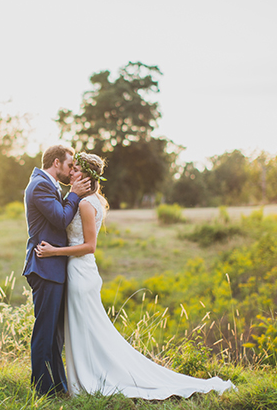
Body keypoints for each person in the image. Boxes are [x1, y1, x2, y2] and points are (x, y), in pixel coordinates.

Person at [35, 153, 236, 399]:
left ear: (87, 176)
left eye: (76, 169)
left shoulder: (87, 204)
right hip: (79, 271)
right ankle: (83, 378)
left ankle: (91, 379)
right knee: (85, 329)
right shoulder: (84, 200)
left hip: (80, 271)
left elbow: (89, 246)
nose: (71, 173)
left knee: (87, 328)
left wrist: (55, 251)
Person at [22, 145, 91, 396]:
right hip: (44, 266)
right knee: (45, 330)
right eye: (70, 165)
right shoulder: (40, 185)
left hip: (53, 268)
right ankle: (41, 389)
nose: (71, 169)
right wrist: (73, 194)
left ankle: (58, 386)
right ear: (56, 162)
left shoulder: (47, 185)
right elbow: (61, 219)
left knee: (55, 335)